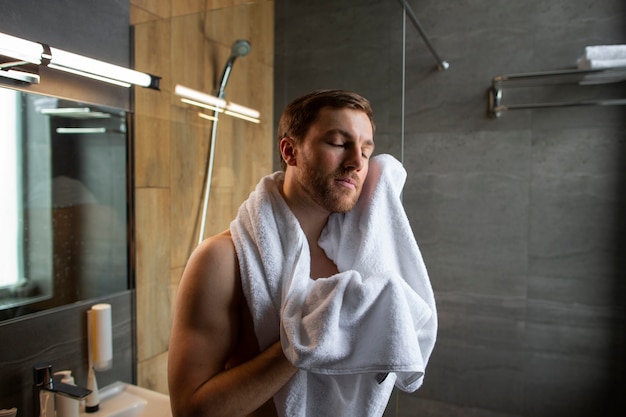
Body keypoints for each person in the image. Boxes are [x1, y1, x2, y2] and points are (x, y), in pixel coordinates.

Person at [168, 89, 378, 417]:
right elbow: (190, 410)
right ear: (290, 151)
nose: (356, 163)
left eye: (366, 151)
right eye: (338, 143)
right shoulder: (221, 260)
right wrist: (302, 344)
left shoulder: (362, 258)